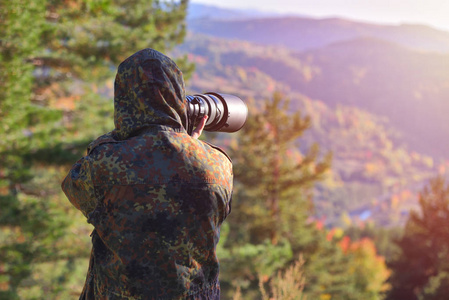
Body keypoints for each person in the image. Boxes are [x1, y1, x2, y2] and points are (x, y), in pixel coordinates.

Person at [62, 48, 233, 299]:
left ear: (122, 99)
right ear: (178, 95)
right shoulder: (218, 164)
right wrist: (189, 143)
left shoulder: (105, 163)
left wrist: (121, 137)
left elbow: (74, 185)